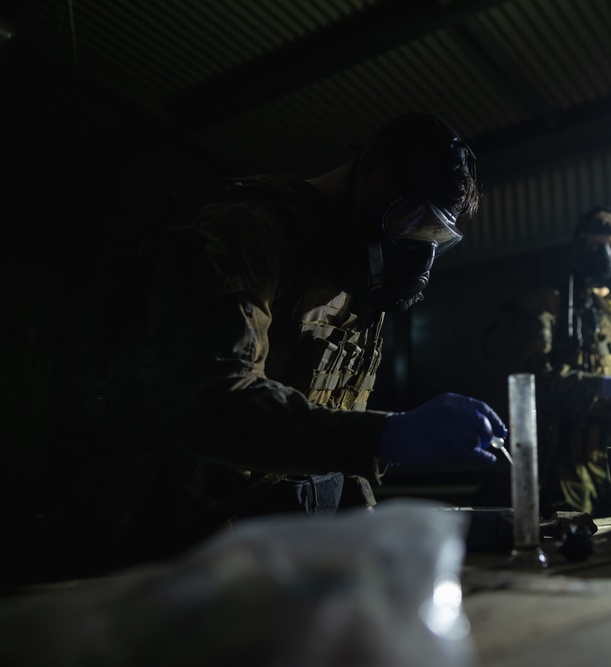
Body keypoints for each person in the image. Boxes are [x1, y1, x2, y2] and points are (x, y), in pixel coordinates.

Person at [35, 112, 507, 581]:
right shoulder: (247, 231)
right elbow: (213, 404)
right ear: (371, 169)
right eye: (409, 219)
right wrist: (385, 436)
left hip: (261, 544)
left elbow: (333, 424)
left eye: (433, 239)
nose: (415, 255)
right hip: (164, 538)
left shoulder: (359, 283)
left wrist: (368, 527)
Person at [484, 206, 611, 518]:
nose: (605, 253)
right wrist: (602, 386)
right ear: (580, 248)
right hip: (570, 467)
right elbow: (528, 379)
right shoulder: (549, 305)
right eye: (595, 245)